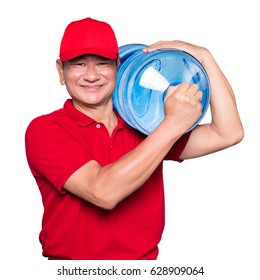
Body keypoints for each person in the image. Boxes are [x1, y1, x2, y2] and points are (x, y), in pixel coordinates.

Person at [25, 17, 244, 260]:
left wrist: (206, 59)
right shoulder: (46, 129)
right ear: (61, 71)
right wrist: (173, 123)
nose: (91, 75)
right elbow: (103, 192)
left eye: (102, 63)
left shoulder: (145, 124)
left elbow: (228, 132)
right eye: (78, 64)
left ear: (118, 67)